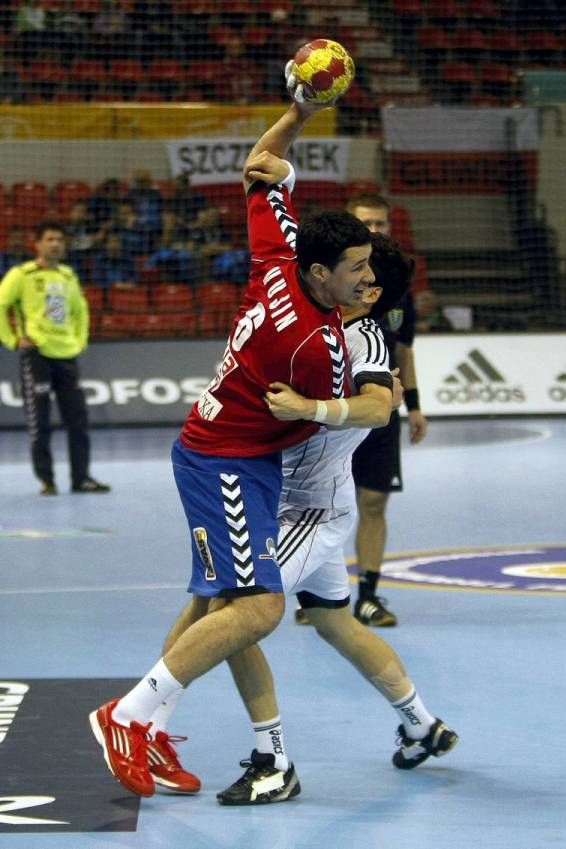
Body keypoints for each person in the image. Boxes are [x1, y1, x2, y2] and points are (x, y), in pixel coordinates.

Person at [88, 96, 376, 799]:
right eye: (355, 271)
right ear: (319, 275)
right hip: (229, 466)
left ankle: (152, 727)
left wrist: (301, 110)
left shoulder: (279, 258)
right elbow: (355, 410)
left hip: (212, 448)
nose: (364, 281)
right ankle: (124, 714)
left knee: (209, 603)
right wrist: (331, 404)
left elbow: (258, 166)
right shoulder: (319, 345)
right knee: (260, 608)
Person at [137, 232, 458, 804]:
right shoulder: (322, 319)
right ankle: (421, 723)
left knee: (236, 610)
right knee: (337, 624)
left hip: (304, 509)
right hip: (289, 496)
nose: (350, 273)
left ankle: (266, 758)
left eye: (362, 268)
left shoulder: (364, 340)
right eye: (348, 264)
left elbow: (379, 406)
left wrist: (309, 408)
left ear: (372, 289)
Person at [343, 193, 429, 628]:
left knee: (373, 501)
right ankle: (313, 594)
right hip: (336, 410)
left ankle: (369, 597)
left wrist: (414, 406)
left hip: (382, 409)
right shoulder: (335, 284)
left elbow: (406, 351)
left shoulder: (397, 286)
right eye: (366, 224)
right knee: (321, 503)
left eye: (380, 223)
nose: (374, 231)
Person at [0, 220, 110, 496]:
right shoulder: (22, 274)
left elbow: (80, 310)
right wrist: (13, 340)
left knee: (78, 420)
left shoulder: (68, 276)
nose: (56, 244)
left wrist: (79, 341)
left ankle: (81, 478)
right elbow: (1, 306)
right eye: (49, 239)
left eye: (60, 239)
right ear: (37, 244)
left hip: (66, 355)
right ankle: (47, 480)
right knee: (41, 421)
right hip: (37, 355)